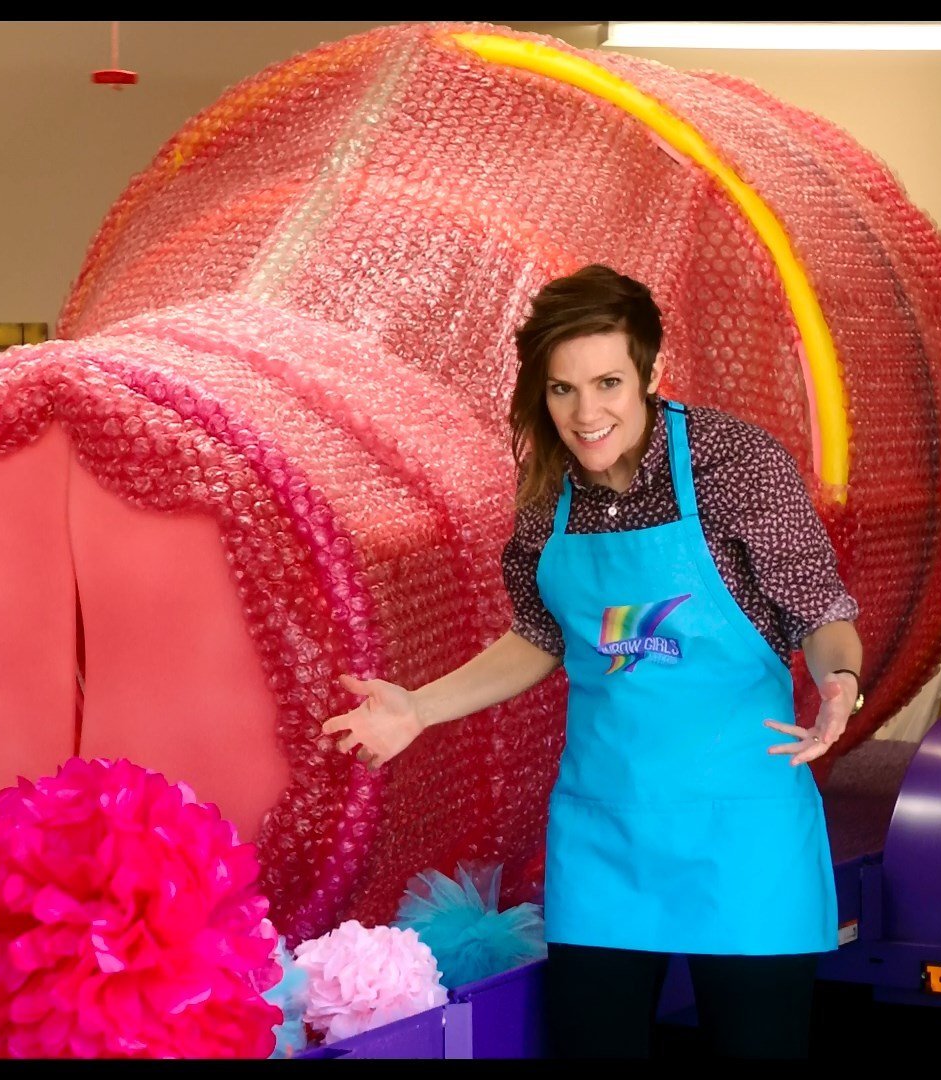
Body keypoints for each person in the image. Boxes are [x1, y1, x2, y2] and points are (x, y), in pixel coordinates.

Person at [320, 264, 864, 1059]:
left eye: (608, 383)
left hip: (743, 830)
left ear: (649, 372)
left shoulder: (736, 464)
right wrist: (418, 708)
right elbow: (543, 634)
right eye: (562, 389)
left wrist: (839, 681)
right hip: (605, 836)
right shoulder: (548, 489)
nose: (586, 414)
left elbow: (820, 611)